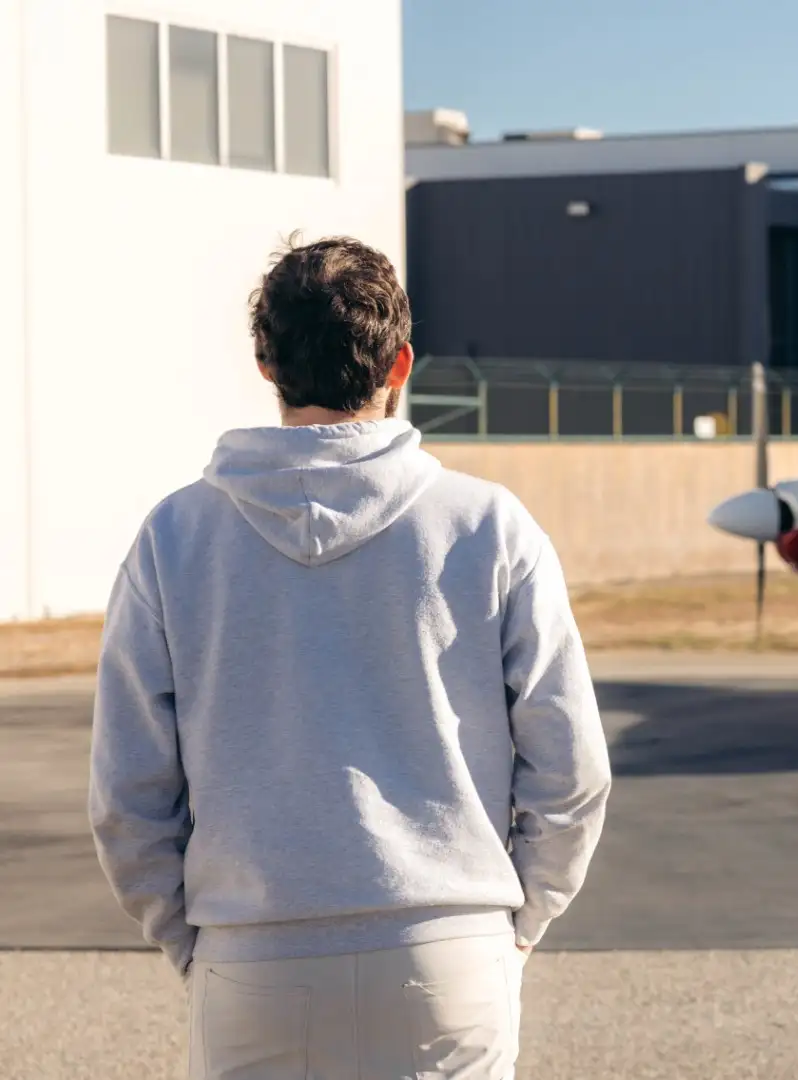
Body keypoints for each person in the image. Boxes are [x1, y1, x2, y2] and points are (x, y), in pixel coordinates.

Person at [87, 235, 613, 1078]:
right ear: (400, 362)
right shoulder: (487, 525)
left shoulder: (175, 536)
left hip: (250, 952)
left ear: (266, 362)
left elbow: (126, 793)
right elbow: (572, 767)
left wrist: (193, 940)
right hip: (450, 947)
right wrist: (516, 923)